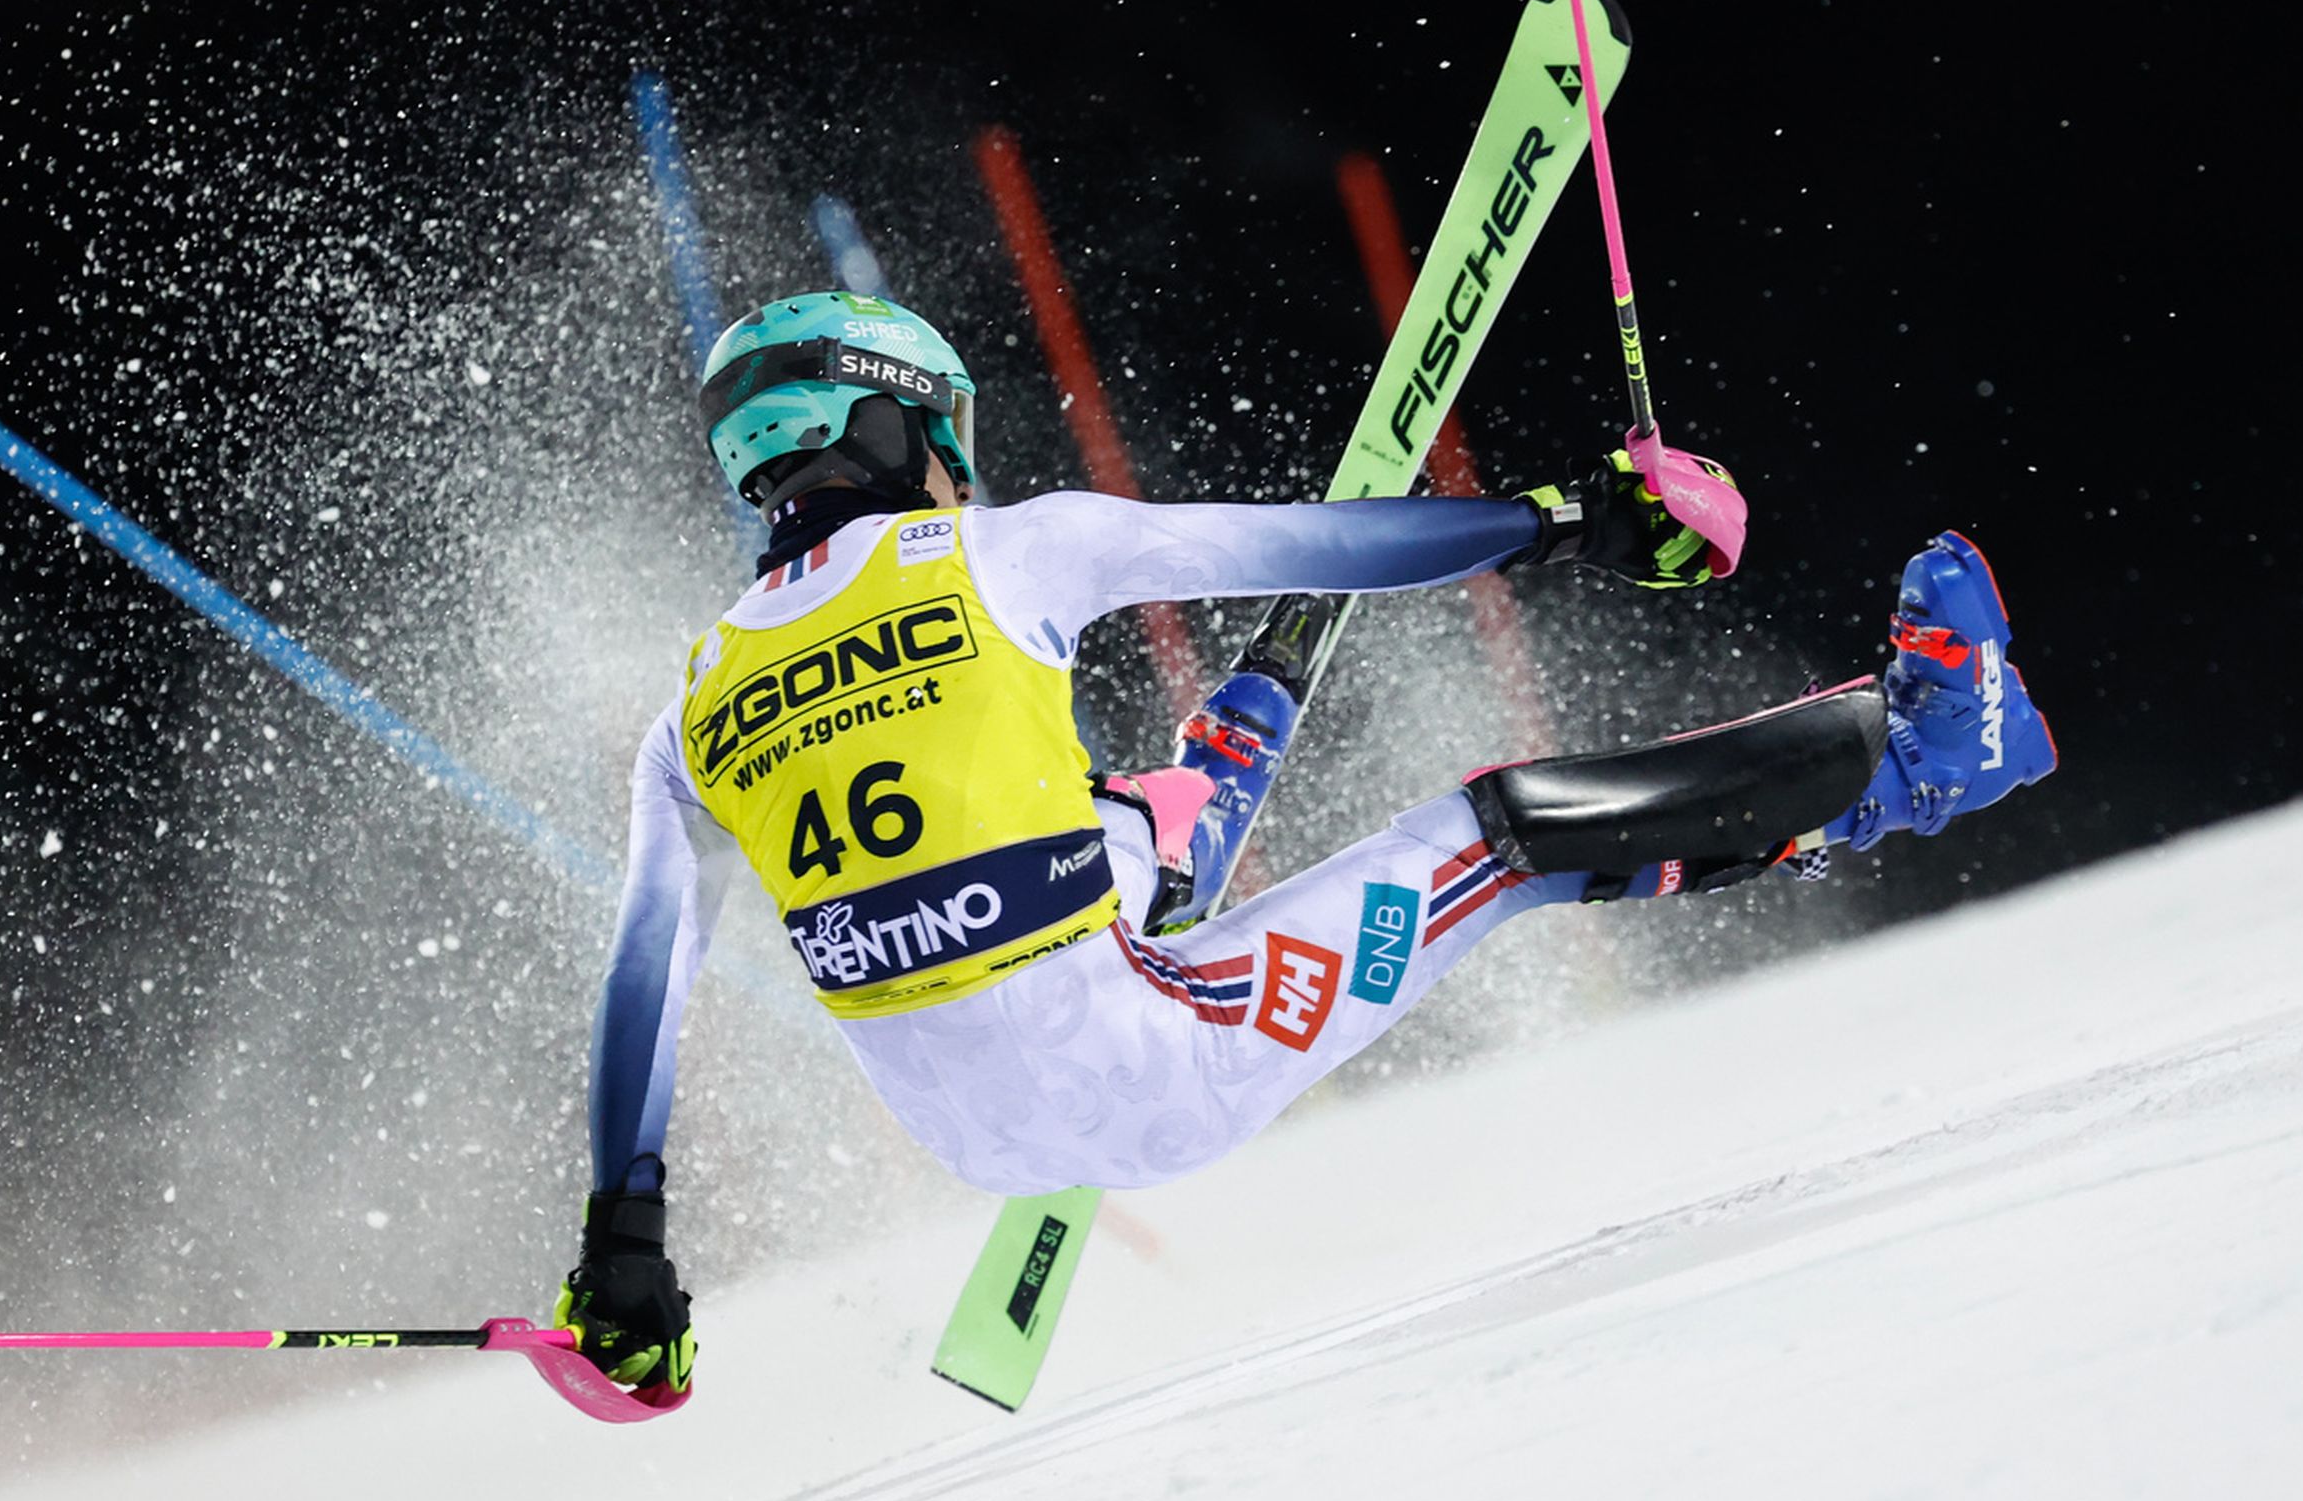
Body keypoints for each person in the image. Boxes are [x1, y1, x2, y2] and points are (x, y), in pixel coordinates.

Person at [554, 292, 2057, 1395]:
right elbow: (1327, 542)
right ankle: (1921, 761)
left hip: (972, 1133)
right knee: (1501, 832)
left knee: (1128, 823)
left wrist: (623, 1251)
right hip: (1158, 1067)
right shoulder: (1011, 551)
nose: (962, 470)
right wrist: (1567, 518)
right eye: (949, 440)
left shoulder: (689, 708)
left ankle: (1191, 817)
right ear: (893, 423)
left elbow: (644, 987)